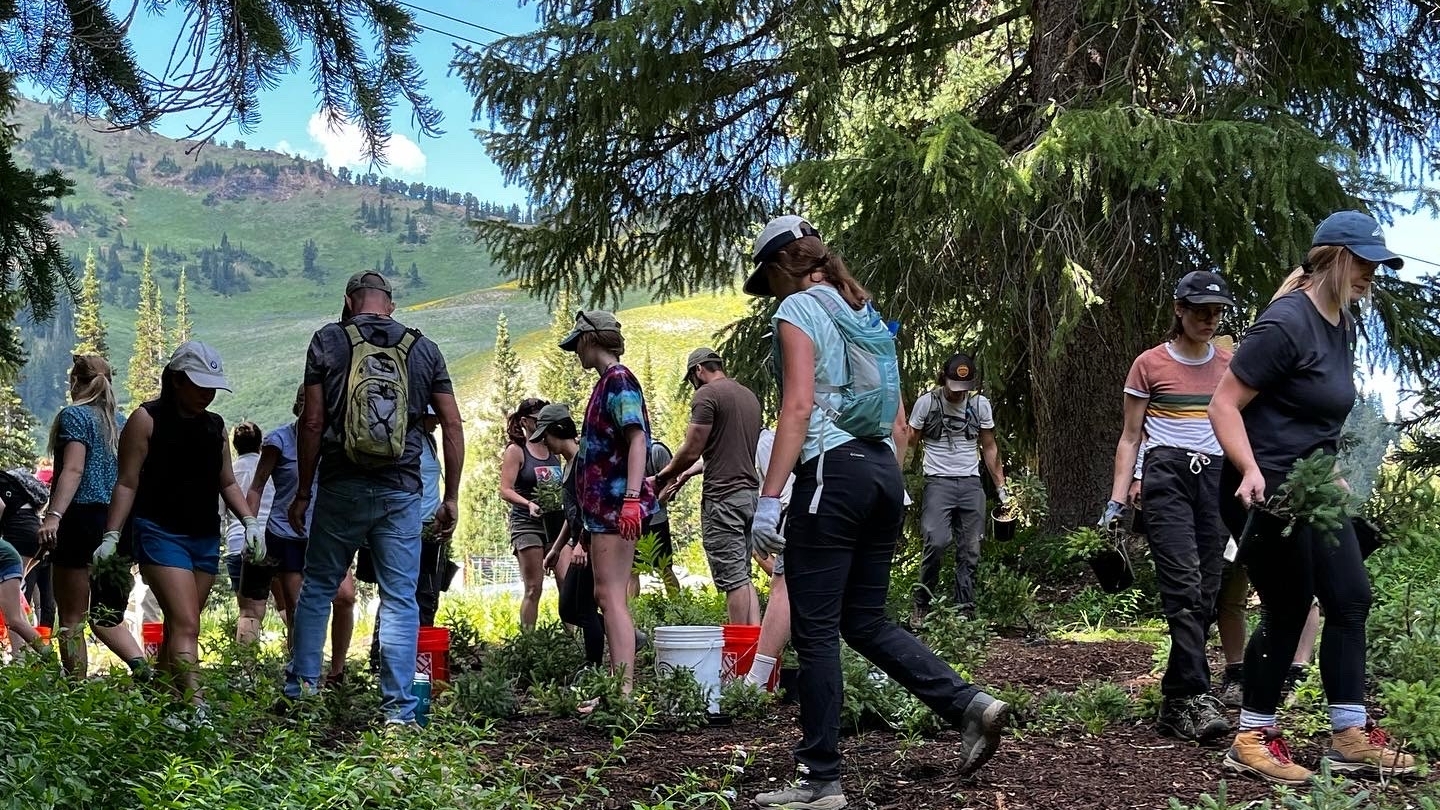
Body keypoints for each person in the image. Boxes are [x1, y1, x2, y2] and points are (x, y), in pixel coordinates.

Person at [743, 215, 1008, 807]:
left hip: (830, 477)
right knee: (863, 621)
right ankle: (968, 705)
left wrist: (767, 501)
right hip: (882, 475)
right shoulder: (864, 311)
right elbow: (896, 416)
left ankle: (820, 781)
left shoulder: (799, 312)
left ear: (783, 266)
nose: (774, 295)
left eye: (770, 280)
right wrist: (885, 477)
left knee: (814, 631)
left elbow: (798, 407)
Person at [1209, 210, 1414, 783]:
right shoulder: (1286, 323)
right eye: (1365, 262)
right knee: (1289, 604)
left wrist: (1329, 468)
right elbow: (1222, 405)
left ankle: (1349, 732)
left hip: (1312, 485)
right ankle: (1251, 736)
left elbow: (1312, 416)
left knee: (1349, 596)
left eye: (1378, 264)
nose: (1373, 273)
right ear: (1334, 259)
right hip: (1261, 488)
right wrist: (1249, 468)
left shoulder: (1341, 322)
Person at [283, 271, 463, 727]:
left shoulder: (328, 340)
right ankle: (399, 713)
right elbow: (453, 424)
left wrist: (304, 491)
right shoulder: (424, 349)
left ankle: (301, 694)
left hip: (341, 485)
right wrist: (452, 496)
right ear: (391, 305)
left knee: (319, 587)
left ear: (349, 301)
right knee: (400, 597)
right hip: (402, 489)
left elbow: (311, 421)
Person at [1101, 270, 1237, 741]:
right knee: (1182, 585)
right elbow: (1130, 436)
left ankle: (1176, 700)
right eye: (1200, 309)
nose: (1209, 318)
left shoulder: (1230, 366)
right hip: (1166, 476)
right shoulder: (1149, 365)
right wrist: (1117, 501)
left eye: (1217, 311)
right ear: (1178, 309)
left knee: (1208, 589)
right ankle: (1196, 696)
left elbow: (1243, 426)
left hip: (1218, 478)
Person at [106, 341, 263, 707]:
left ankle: (164, 706)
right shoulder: (146, 420)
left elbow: (227, 482)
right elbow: (127, 482)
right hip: (159, 532)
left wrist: (250, 522)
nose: (207, 394)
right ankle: (198, 708)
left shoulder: (215, 427)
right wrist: (112, 534)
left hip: (205, 537)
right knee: (188, 624)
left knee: (180, 626)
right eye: (199, 385)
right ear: (176, 380)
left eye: (212, 387)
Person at [559, 309, 658, 694]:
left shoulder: (618, 380)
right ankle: (622, 689)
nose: (575, 353)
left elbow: (637, 439)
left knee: (611, 596)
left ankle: (625, 692)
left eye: (577, 344)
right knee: (607, 595)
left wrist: (632, 498)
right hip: (604, 511)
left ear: (590, 339)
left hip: (617, 507)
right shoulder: (606, 383)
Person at [35, 355, 148, 679]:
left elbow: (73, 468)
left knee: (71, 618)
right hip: (117, 524)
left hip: (80, 520)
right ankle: (143, 670)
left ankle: (76, 692)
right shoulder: (123, 421)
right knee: (106, 617)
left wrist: (53, 515)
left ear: (75, 383)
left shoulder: (74, 416)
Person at [248, 387, 356, 678]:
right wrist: (250, 526)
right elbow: (257, 486)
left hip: (327, 532)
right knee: (298, 608)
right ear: (300, 407)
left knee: (345, 596)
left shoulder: (335, 441)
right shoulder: (279, 441)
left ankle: (336, 671)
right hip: (286, 535)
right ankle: (301, 673)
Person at [652, 348, 763, 624]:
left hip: (723, 499)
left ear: (699, 369)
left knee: (732, 580)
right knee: (743, 574)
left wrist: (661, 476)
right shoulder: (748, 396)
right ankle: (755, 646)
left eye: (692, 378)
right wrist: (688, 474)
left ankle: (737, 656)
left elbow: (692, 449)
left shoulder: (707, 395)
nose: (693, 384)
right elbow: (725, 451)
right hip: (750, 497)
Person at [906, 352, 1009, 622]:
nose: (958, 394)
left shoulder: (979, 405)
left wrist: (1002, 488)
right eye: (954, 387)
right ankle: (922, 603)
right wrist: (898, 479)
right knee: (937, 541)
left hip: (971, 483)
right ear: (944, 378)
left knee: (971, 548)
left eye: (964, 388)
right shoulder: (926, 404)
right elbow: (909, 443)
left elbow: (989, 446)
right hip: (938, 482)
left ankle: (965, 609)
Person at [537, 404, 608, 667]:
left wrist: (582, 544)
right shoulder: (568, 465)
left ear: (558, 430)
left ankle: (593, 669)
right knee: (567, 607)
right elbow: (572, 514)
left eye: (546, 435)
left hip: (589, 546)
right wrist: (556, 548)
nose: (544, 442)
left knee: (585, 609)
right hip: (578, 543)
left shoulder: (583, 462)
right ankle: (624, 634)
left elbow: (592, 507)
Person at [498, 397, 562, 630]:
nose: (542, 423)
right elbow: (505, 489)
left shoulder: (553, 446)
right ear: (525, 421)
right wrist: (528, 504)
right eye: (537, 419)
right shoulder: (517, 450)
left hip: (556, 525)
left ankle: (572, 638)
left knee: (567, 582)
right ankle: (529, 639)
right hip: (527, 524)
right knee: (534, 586)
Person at [744, 427, 794, 690]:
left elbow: (779, 484)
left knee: (782, 586)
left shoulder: (764, 442)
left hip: (785, 509)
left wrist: (769, 512)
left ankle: (757, 681)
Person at [1, 467, 50, 628]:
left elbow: (1, 506)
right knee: (16, 595)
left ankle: (21, 650)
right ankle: (26, 648)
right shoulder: (12, 483)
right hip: (36, 534)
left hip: (19, 537)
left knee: (12, 605)